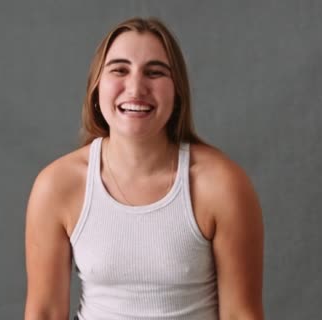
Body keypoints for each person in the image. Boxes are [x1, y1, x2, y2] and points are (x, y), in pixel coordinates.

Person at [24, 17, 264, 320]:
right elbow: (44, 313)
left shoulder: (221, 184)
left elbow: (241, 315)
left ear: (177, 93)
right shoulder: (57, 185)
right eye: (119, 70)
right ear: (96, 87)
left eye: (155, 72)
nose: (136, 87)